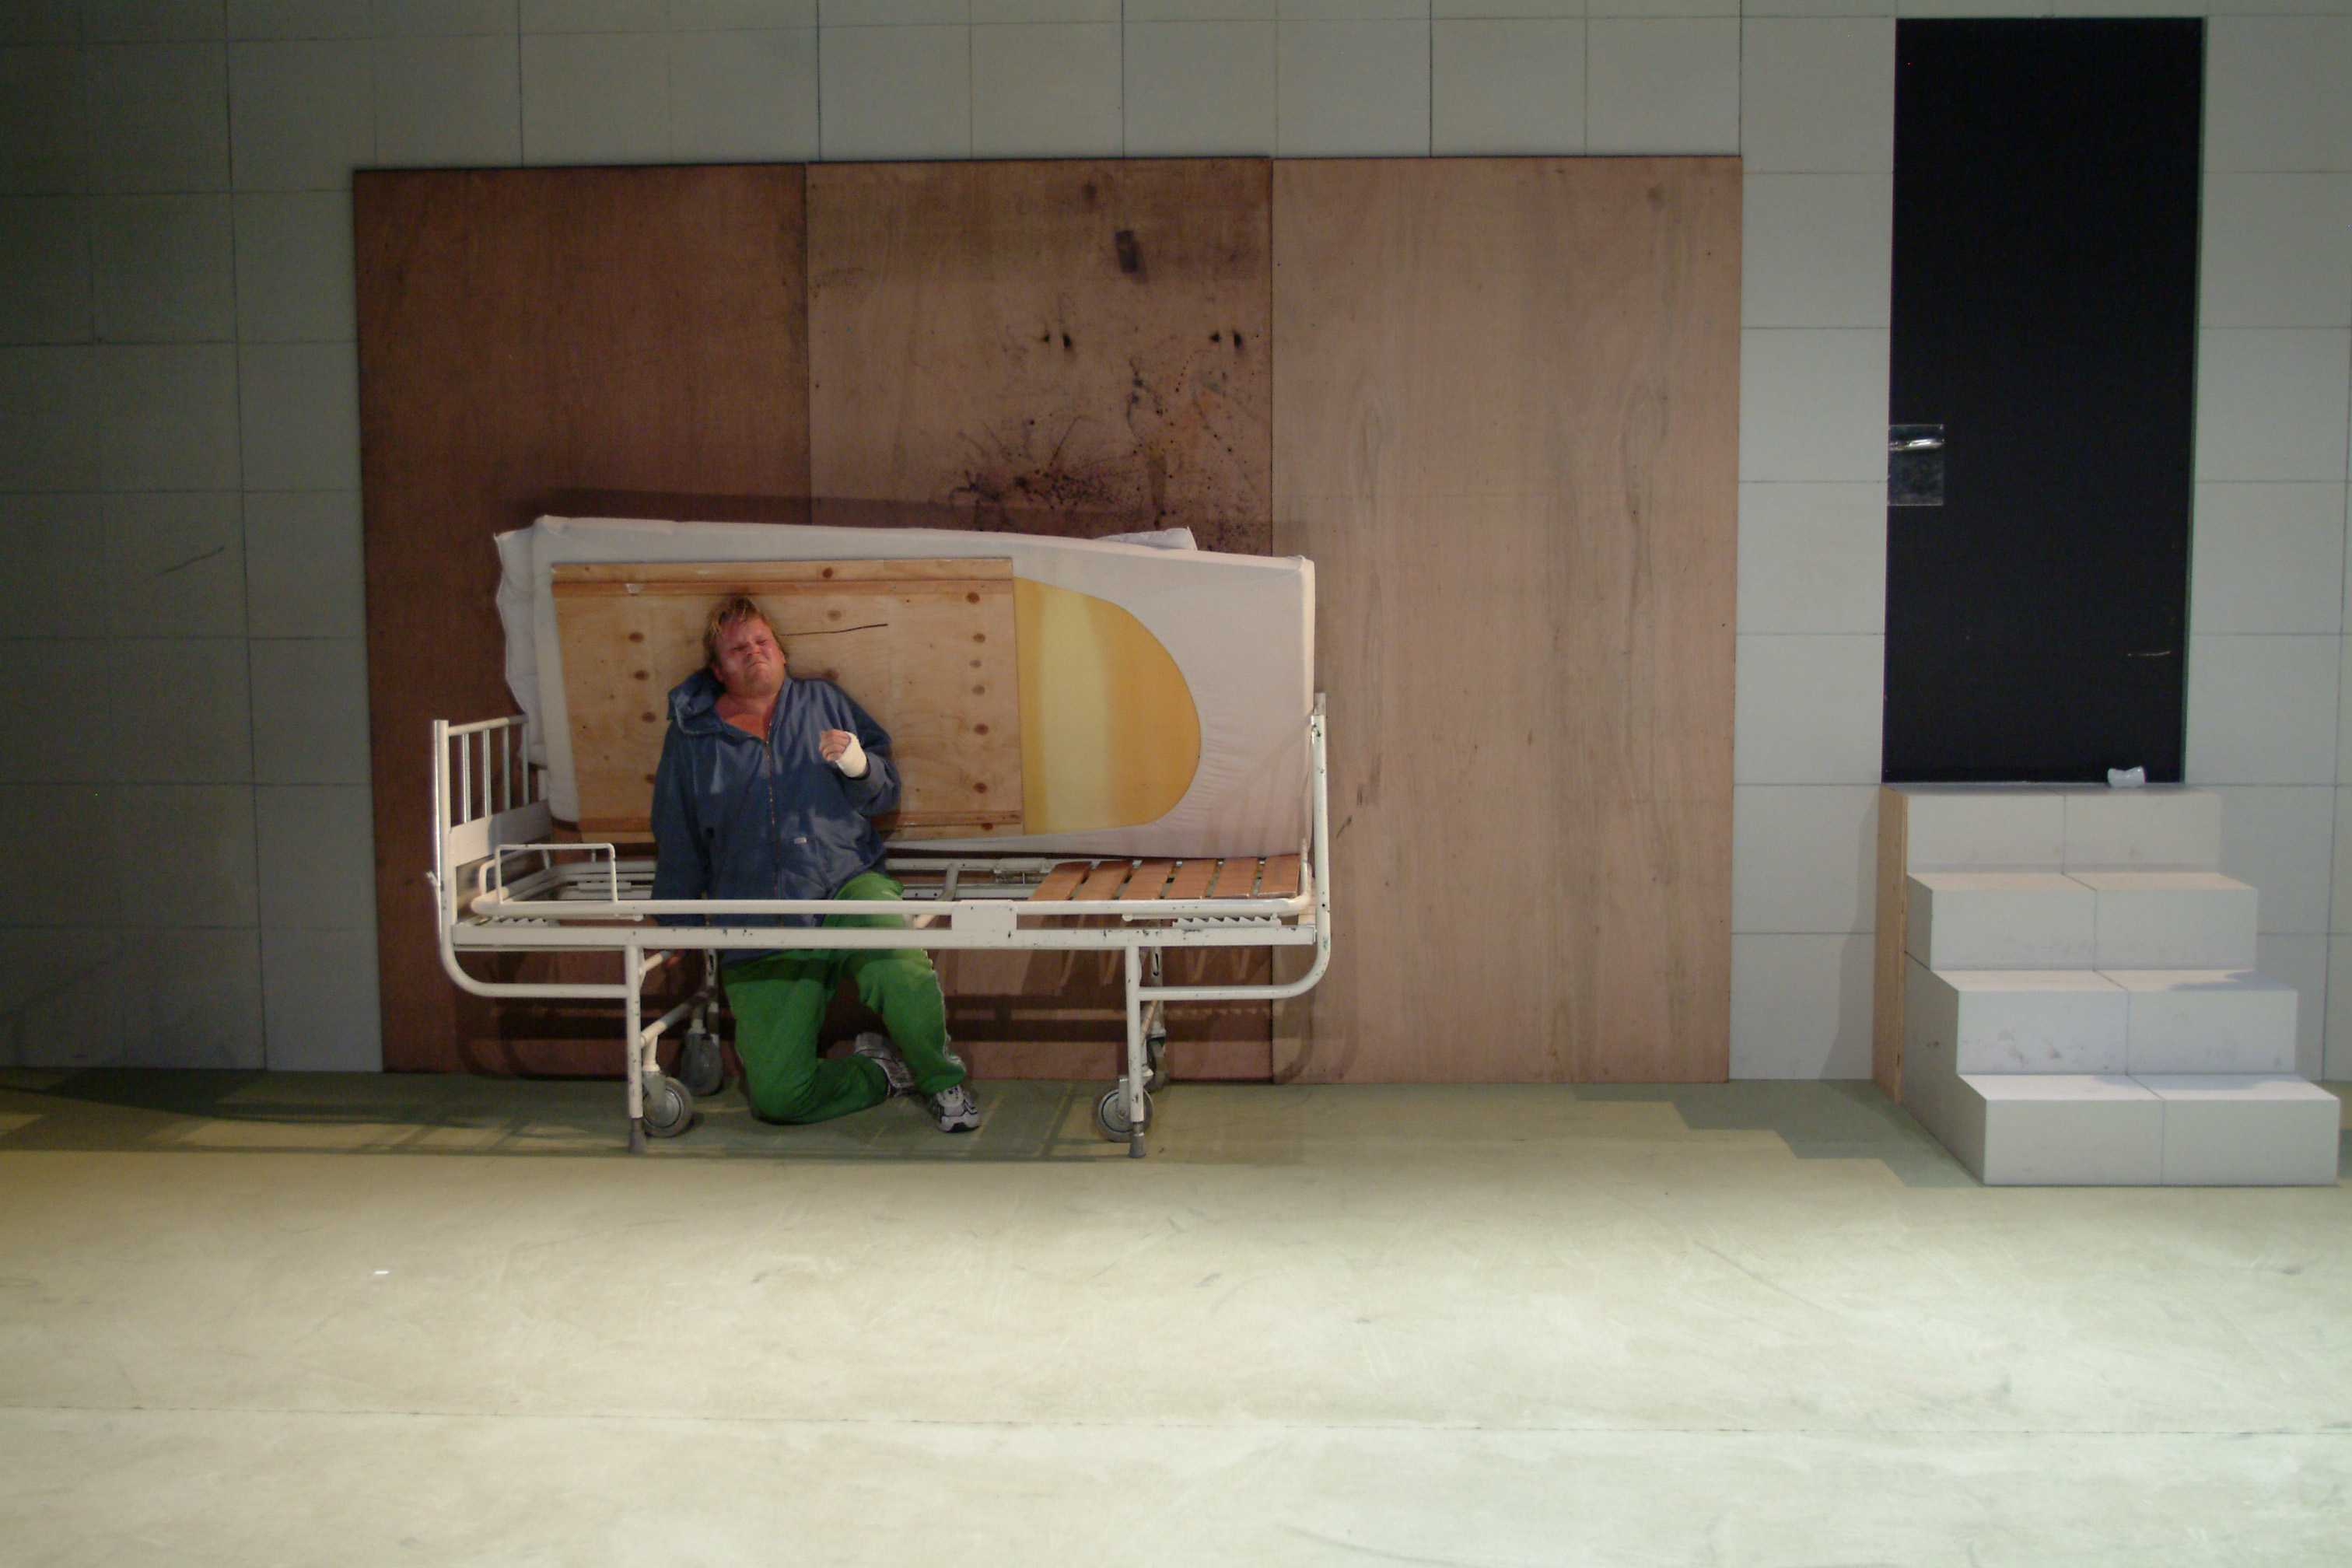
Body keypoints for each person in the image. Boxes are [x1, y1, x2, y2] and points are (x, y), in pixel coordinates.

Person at [650, 594, 980, 1132]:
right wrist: (673, 919)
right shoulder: (693, 737)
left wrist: (860, 765)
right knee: (778, 1097)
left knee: (900, 969)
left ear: (782, 652)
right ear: (717, 670)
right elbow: (677, 830)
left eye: (762, 642)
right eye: (737, 649)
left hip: (845, 883)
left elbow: (884, 793)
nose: (754, 653)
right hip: (755, 914)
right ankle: (881, 1073)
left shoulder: (824, 702)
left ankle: (942, 1081)